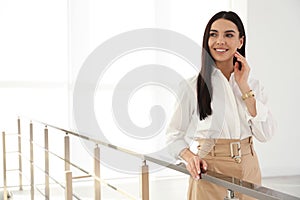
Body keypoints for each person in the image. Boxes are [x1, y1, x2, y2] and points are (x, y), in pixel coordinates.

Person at [166, 11, 276, 200]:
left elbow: (265, 134)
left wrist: (244, 88)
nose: (220, 41)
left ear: (241, 41)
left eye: (229, 35)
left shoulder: (254, 85)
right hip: (209, 168)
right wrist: (190, 157)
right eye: (213, 34)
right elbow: (173, 135)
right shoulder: (192, 86)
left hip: (249, 167)